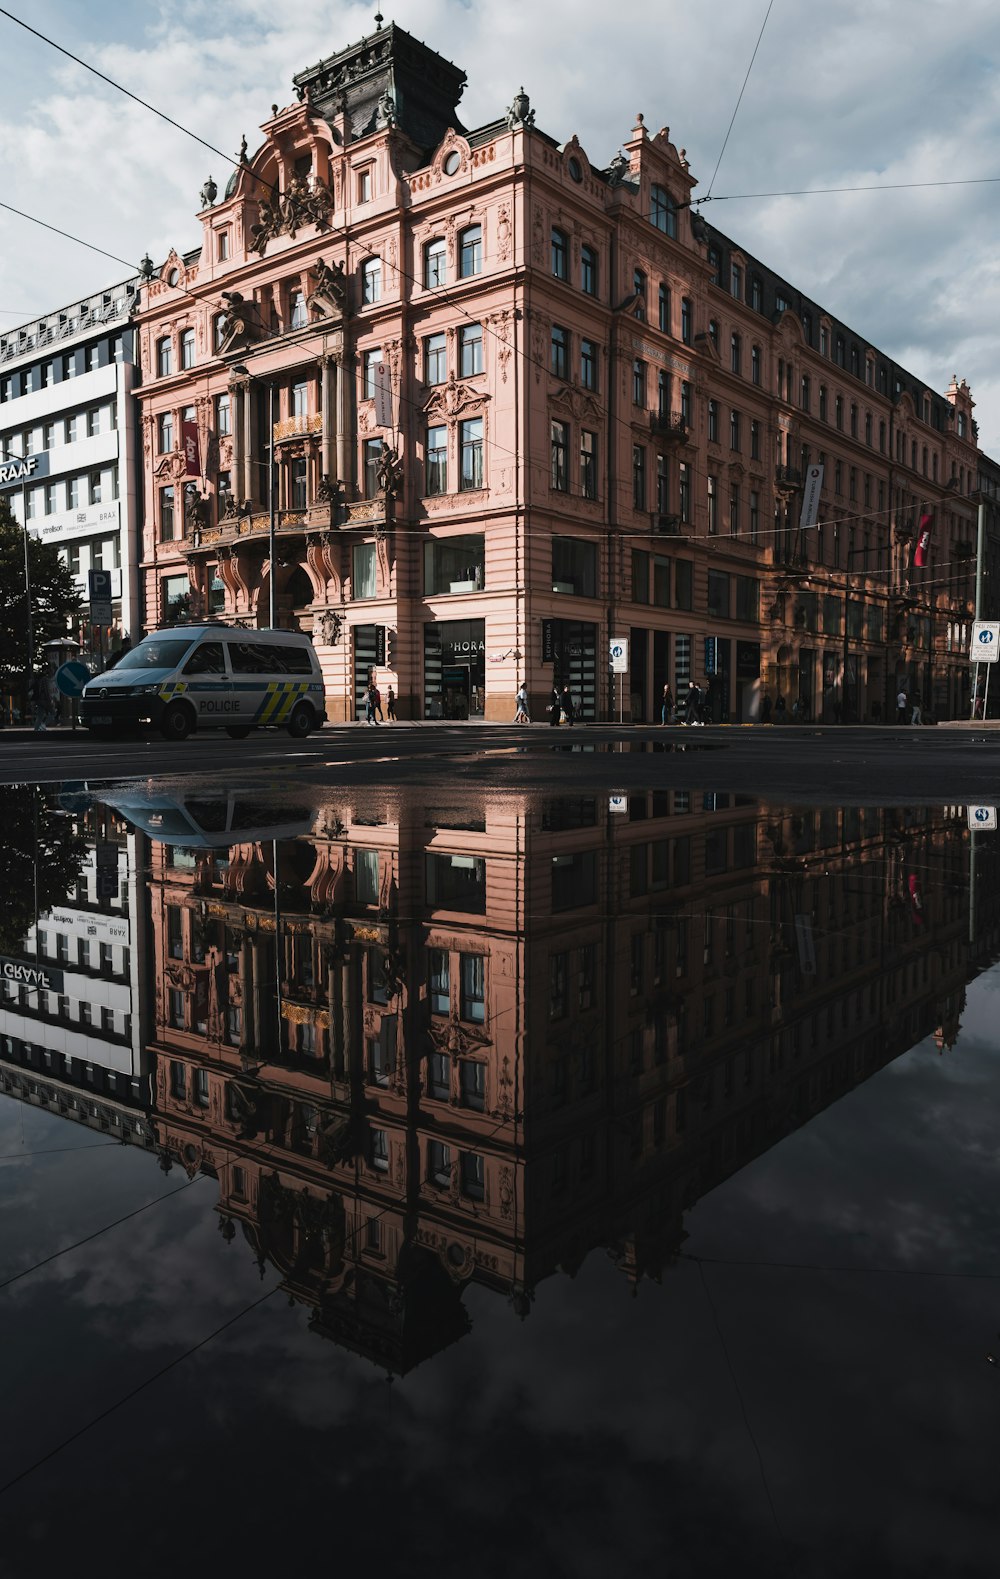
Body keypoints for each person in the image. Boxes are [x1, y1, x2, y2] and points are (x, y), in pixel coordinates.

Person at [30, 668, 55, 732]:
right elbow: (46, 691)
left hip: (38, 700)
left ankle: (36, 729)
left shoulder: (38, 680)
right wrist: (49, 699)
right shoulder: (45, 680)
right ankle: (43, 725)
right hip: (45, 700)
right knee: (53, 713)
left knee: (40, 715)